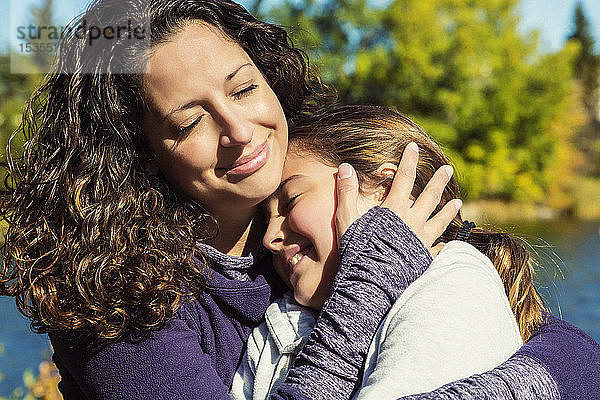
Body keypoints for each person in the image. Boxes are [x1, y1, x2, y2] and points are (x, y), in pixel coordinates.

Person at [0, 0, 597, 399]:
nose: (239, 129)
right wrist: (370, 283)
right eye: (189, 122)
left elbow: (573, 360)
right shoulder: (114, 297)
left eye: (244, 88)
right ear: (135, 156)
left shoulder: (310, 216)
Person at [230, 104, 527, 399]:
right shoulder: (279, 323)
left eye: (291, 200)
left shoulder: (455, 289)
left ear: (385, 191)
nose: (269, 238)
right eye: (266, 220)